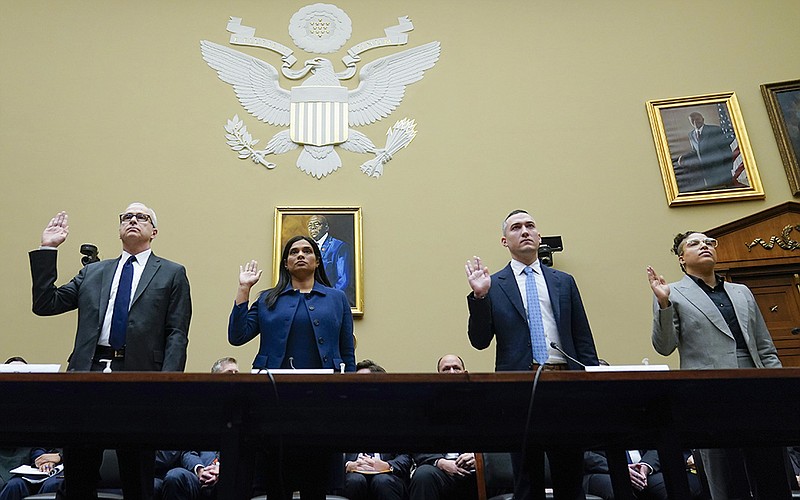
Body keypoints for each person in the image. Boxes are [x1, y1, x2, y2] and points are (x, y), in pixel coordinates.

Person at [29, 203, 193, 500]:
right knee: (79, 469)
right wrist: (48, 248)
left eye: (141, 217)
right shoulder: (93, 272)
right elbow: (46, 304)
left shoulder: (171, 273)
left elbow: (177, 334)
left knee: (136, 471)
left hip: (140, 379)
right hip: (86, 374)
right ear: (119, 229)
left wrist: (168, 385)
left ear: (153, 232)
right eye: (126, 217)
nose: (132, 220)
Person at [466, 209, 599, 500]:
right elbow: (479, 341)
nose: (524, 231)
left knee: (570, 476)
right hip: (520, 387)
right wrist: (479, 297)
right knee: (527, 479)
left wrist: (590, 384)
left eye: (530, 226)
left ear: (538, 237)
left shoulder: (564, 281)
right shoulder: (493, 284)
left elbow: (583, 338)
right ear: (505, 241)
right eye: (516, 227)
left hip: (565, 383)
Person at [647, 231, 791, 499]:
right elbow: (664, 347)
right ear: (681, 259)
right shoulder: (673, 292)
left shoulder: (741, 291)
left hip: (757, 389)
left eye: (709, 242)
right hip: (709, 395)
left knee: (771, 470)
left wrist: (779, 386)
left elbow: (764, 345)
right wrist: (663, 303)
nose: (704, 246)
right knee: (725, 478)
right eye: (694, 243)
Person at [229, 235, 355, 499]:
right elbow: (237, 335)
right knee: (277, 479)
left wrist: (350, 393)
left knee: (316, 479)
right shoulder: (267, 299)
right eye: (294, 252)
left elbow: (346, 351)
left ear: (317, 260)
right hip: (274, 399)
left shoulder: (336, 299)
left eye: (307, 251)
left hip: (322, 400)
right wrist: (244, 289)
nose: (300, 255)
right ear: (285, 263)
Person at [410, 354, 478, 500]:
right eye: (446, 369)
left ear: (465, 373)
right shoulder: (426, 407)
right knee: (423, 475)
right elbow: (418, 444)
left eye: (456, 368)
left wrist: (479, 458)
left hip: (476, 470)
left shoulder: (482, 404)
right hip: (440, 470)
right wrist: (440, 462)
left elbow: (497, 442)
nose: (452, 372)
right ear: (438, 375)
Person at [343, 359, 412, 500]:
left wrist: (387, 466)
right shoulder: (343, 418)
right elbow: (331, 454)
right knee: (355, 480)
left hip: (388, 477)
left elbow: (406, 456)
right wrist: (348, 465)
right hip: (353, 475)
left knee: (382, 481)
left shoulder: (397, 418)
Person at [582, 450, 704, 500]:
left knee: (669, 485)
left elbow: (656, 439)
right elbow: (582, 454)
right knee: (619, 488)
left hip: (643, 468)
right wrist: (618, 468)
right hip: (600, 471)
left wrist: (646, 466)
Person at [676, 112, 734, 191]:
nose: (695, 122)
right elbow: (695, 151)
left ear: (703, 119)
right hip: (706, 171)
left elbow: (725, 148)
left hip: (720, 169)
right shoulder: (691, 135)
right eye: (692, 120)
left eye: (697, 119)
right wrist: (683, 157)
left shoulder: (714, 129)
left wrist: (729, 166)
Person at [307, 215, 355, 306]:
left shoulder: (338, 246)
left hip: (330, 300)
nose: (313, 228)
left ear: (326, 228)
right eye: (310, 225)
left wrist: (329, 298)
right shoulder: (306, 247)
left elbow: (343, 280)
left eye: (317, 224)